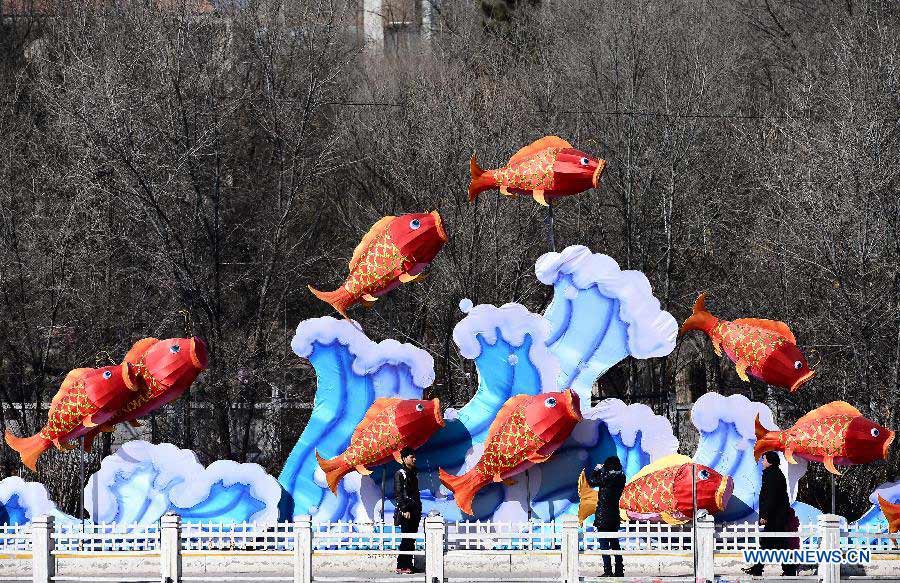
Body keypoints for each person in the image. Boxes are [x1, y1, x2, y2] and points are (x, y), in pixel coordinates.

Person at [743, 451, 797, 577]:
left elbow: (771, 498)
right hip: (777, 516)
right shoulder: (775, 473)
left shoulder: (772, 475)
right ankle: (784, 569)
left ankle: (785, 570)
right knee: (774, 543)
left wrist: (765, 516)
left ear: (770, 461)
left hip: (774, 517)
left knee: (775, 543)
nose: (762, 462)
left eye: (764, 459)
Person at [587, 456, 627, 578]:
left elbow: (591, 481)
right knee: (615, 544)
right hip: (614, 515)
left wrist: (597, 469)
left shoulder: (606, 478)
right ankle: (619, 570)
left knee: (604, 544)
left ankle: (608, 570)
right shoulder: (621, 478)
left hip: (603, 516)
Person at [394, 447, 422, 574]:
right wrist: (404, 509)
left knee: (412, 539)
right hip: (406, 511)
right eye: (412, 457)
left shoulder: (414, 473)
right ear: (404, 459)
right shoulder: (400, 473)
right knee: (406, 538)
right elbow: (399, 493)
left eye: (415, 456)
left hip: (415, 510)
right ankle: (401, 565)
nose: (414, 459)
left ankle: (409, 564)